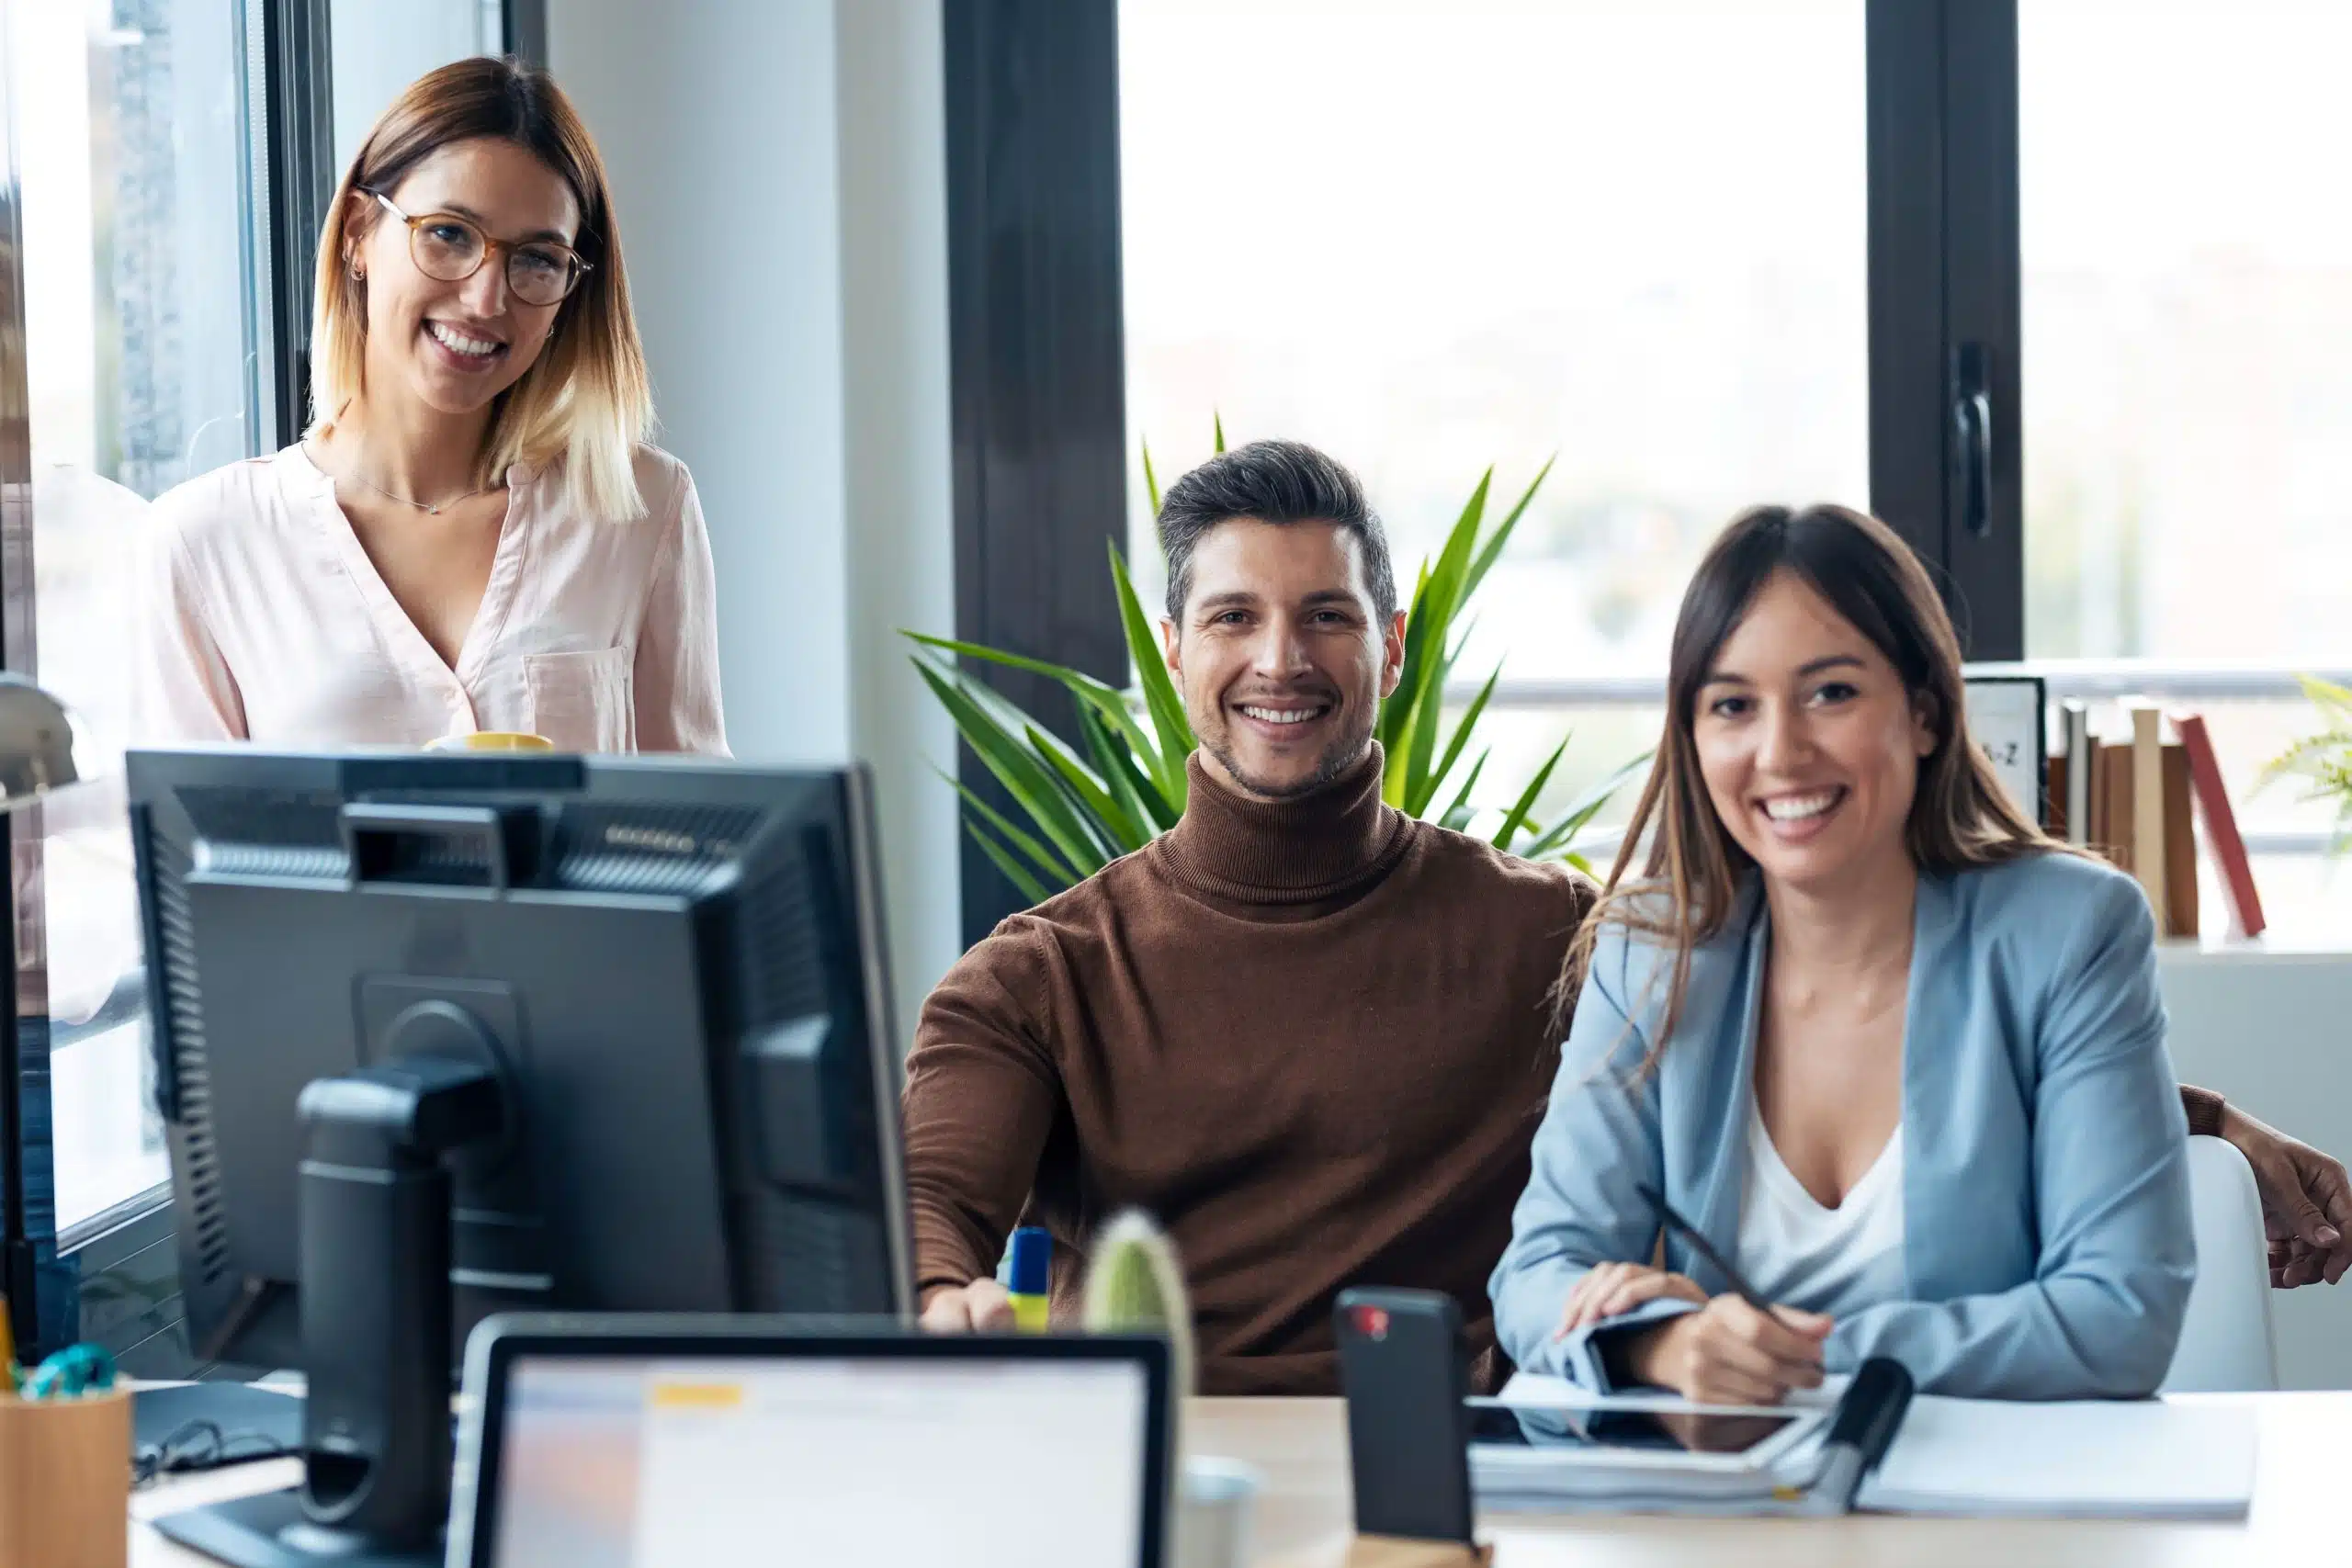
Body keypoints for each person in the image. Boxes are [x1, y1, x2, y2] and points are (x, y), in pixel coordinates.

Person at [907, 443, 2352, 1395]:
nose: (1282, 657)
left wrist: (2205, 1120)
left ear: (1391, 645)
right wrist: (941, 1298)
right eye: (1233, 617)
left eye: (1327, 614)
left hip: (1459, 1483)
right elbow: (922, 1203)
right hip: (1182, 1482)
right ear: (1171, 650)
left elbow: (1884, 1009)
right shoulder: (1043, 974)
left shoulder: (1552, 934)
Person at [1490, 504, 2194, 1401]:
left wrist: (1793, 1357)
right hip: (1739, 1483)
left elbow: (2121, 1315)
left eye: (1830, 693)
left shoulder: (2069, 930)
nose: (1780, 752)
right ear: (1692, 737)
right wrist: (1659, 1346)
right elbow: (1537, 1275)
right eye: (1733, 705)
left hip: (1990, 1479)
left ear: (1925, 713)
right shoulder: (1653, 951)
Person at [134, 57, 724, 755]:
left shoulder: (639, 508)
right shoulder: (205, 540)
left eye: (537, 259)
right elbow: (189, 824)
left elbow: (695, 810)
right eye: (448, 234)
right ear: (358, 233)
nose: (485, 299)